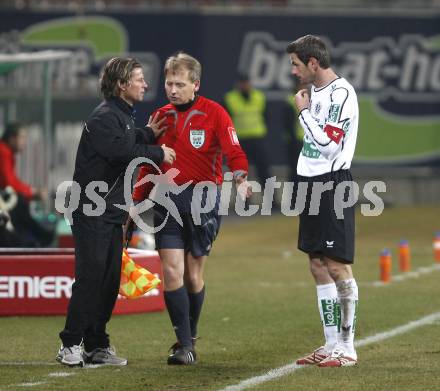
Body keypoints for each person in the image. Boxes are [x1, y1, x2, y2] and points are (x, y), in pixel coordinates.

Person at [130, 52, 252, 365]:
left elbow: (234, 152)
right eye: (169, 83)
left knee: (193, 276)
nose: (172, 89)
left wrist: (240, 180)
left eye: (180, 84)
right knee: (172, 270)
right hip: (167, 200)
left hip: (203, 202)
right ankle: (184, 345)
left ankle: (190, 335)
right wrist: (136, 199)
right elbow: (149, 163)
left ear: (195, 85)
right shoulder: (160, 116)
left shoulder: (216, 114)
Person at [56, 56, 176, 367]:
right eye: (139, 79)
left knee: (109, 281)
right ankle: (70, 343)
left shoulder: (119, 116)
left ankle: (96, 345)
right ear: (122, 84)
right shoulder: (104, 117)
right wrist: (158, 151)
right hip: (92, 211)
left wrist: (147, 133)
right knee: (91, 277)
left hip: (111, 212)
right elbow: (121, 151)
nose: (145, 84)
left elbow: (127, 138)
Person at [286, 35, 359, 367]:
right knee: (317, 265)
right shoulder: (312, 92)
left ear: (313, 63)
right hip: (309, 183)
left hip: (333, 184)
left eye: (296, 64)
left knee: (336, 264)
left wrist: (302, 113)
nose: (293, 70)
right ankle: (330, 344)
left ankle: (348, 345)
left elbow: (329, 145)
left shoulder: (342, 94)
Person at [0, 122, 53, 246]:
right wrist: (32, 192)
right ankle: (37, 238)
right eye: (21, 137)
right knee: (20, 203)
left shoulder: (7, 153)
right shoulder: (3, 152)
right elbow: (9, 184)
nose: (24, 141)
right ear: (12, 138)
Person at [223, 73, 271, 188]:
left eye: (246, 82)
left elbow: (267, 116)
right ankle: (243, 201)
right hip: (240, 141)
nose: (244, 85)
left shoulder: (259, 97)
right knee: (240, 172)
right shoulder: (229, 99)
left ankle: (272, 200)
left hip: (258, 138)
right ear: (237, 84)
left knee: (264, 170)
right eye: (242, 82)